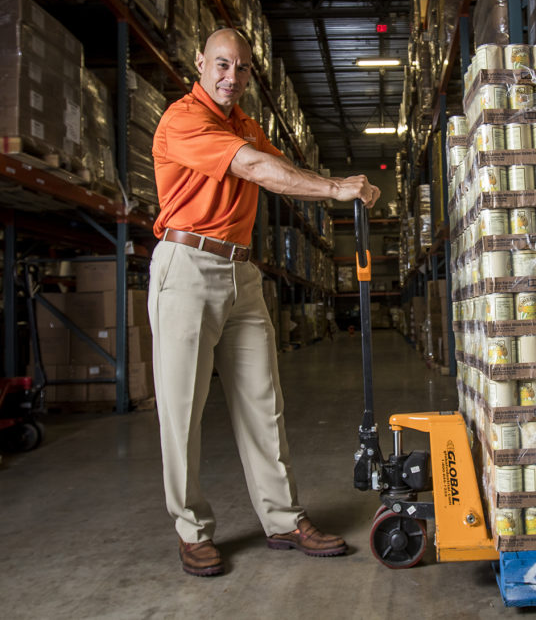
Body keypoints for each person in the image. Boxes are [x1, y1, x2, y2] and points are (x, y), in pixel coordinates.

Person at [149, 28, 380, 577]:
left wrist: (339, 183)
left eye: (242, 68)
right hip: (187, 266)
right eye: (222, 65)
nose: (232, 77)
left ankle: (283, 519)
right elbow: (254, 168)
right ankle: (192, 530)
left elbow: (285, 177)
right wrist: (336, 190)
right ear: (200, 62)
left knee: (263, 402)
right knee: (181, 410)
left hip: (242, 272)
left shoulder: (247, 125)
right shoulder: (184, 119)